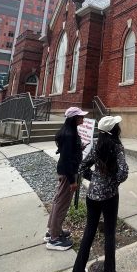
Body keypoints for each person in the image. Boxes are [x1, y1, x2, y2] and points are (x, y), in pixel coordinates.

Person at [70, 115, 129, 272]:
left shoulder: (97, 144)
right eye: (117, 126)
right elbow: (124, 172)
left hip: (92, 196)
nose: (119, 127)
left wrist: (94, 179)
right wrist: (112, 182)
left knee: (89, 232)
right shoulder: (117, 147)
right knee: (109, 235)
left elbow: (82, 167)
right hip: (110, 197)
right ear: (113, 130)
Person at [46, 106, 88, 251]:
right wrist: (72, 181)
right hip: (68, 173)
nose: (83, 118)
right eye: (80, 116)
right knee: (62, 204)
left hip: (65, 172)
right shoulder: (70, 135)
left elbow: (67, 153)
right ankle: (54, 239)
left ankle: (52, 230)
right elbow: (66, 159)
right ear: (73, 118)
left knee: (58, 201)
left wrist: (79, 149)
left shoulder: (68, 132)